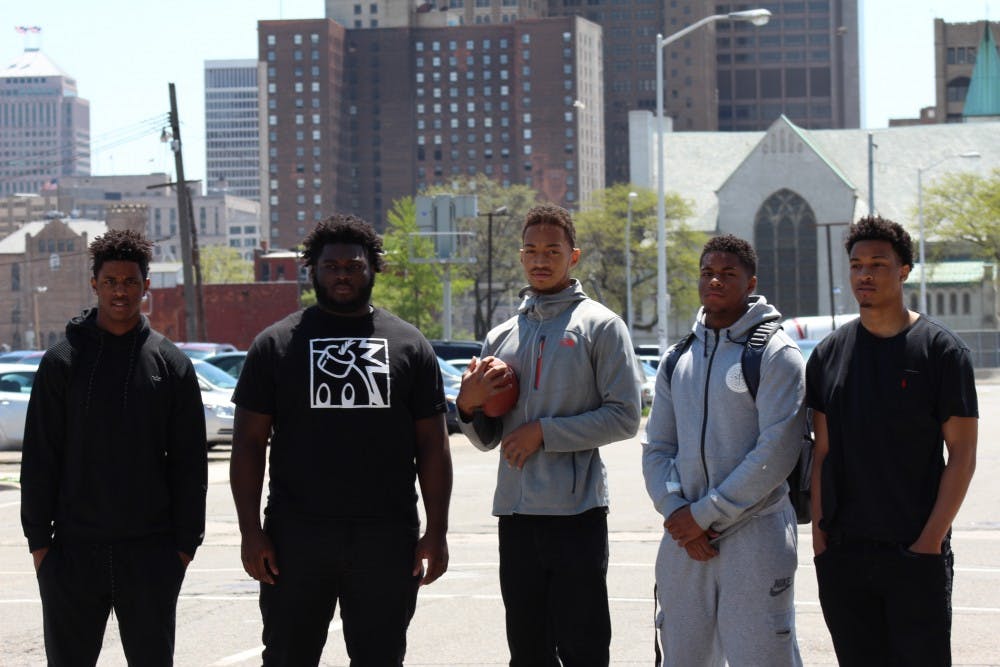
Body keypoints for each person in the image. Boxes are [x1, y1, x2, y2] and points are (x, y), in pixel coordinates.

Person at [230, 214, 453, 666]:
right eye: (331, 266)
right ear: (312, 270)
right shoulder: (275, 345)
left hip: (386, 538)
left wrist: (437, 531)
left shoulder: (409, 345)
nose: (343, 275)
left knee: (381, 658)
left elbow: (434, 445)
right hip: (296, 538)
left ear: (374, 269)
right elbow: (249, 444)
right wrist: (251, 531)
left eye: (354, 266)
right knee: (287, 658)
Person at [457, 204, 641, 666]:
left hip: (576, 514)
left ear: (573, 256)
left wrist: (545, 432)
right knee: (527, 651)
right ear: (521, 256)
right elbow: (487, 438)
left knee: (584, 649)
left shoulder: (601, 325)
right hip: (516, 513)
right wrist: (466, 407)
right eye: (532, 250)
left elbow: (625, 416)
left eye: (552, 251)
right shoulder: (500, 336)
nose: (541, 260)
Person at [20, 229, 207, 666]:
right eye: (110, 282)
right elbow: (40, 458)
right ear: (94, 284)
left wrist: (183, 548)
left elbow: (189, 465)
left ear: (146, 286)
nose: (120, 291)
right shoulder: (62, 361)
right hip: (71, 553)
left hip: (151, 554)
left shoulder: (171, 364)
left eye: (129, 282)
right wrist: (40, 546)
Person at [806, 215, 978, 665]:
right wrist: (821, 542)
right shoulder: (827, 355)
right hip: (844, 553)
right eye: (856, 265)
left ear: (903, 271)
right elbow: (822, 453)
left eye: (878, 264)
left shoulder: (941, 351)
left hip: (913, 552)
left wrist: (929, 542)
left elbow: (963, 456)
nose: (865, 274)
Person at [642, 234, 806, 666]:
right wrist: (676, 511)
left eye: (728, 274)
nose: (714, 281)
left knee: (762, 658)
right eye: (707, 272)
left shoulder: (775, 354)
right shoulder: (677, 358)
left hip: (755, 536)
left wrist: (703, 517)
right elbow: (657, 448)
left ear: (750, 283)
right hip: (684, 541)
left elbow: (776, 453)